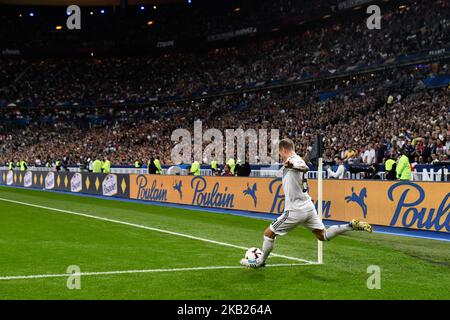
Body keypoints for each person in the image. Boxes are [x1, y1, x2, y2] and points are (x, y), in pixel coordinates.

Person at [240, 138, 373, 269]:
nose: (279, 155)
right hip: (308, 208)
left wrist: (294, 165)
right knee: (323, 235)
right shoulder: (296, 158)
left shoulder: (292, 161)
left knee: (268, 234)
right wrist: (304, 159)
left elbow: (303, 167)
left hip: (294, 211)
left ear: (284, 150)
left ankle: (260, 262)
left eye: (279, 152)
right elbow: (303, 162)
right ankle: (350, 226)